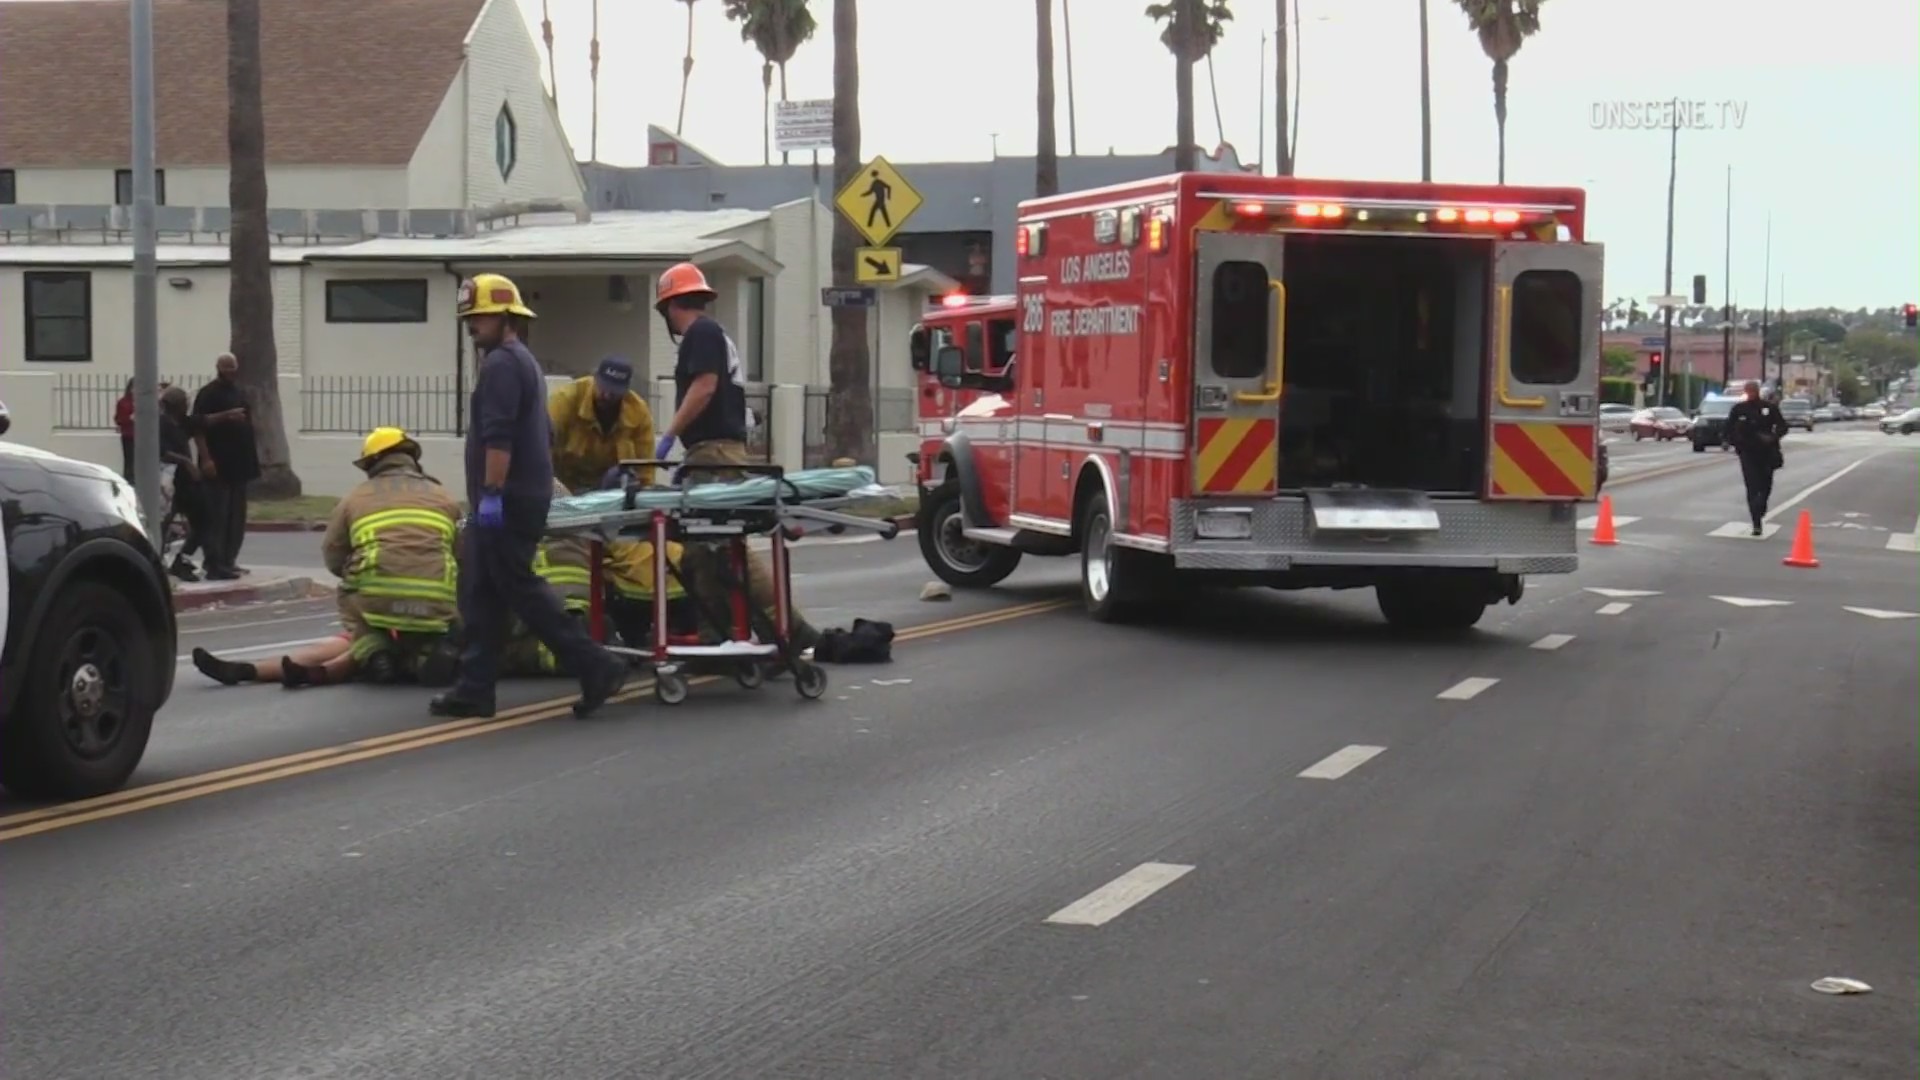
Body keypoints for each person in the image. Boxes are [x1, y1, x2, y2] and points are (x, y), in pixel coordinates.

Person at [432, 272, 627, 719]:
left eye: (480, 317)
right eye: (469, 317)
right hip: (515, 495)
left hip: (508, 498)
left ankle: (596, 664)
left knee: (520, 589)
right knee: (481, 592)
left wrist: (493, 494)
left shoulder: (502, 364)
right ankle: (475, 687)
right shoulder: (521, 362)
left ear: (508, 318)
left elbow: (499, 438)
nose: (472, 325)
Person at [650, 262, 821, 651]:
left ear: (670, 306)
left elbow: (705, 387)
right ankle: (717, 637)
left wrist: (670, 435)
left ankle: (790, 630)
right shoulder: (715, 335)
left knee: (725, 547)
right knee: (702, 551)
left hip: (716, 453)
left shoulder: (702, 333)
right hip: (711, 453)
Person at [320, 427, 465, 685]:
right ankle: (431, 651)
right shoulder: (445, 497)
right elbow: (462, 552)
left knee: (350, 596)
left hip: (377, 595)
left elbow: (333, 557)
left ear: (372, 463)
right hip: (436, 596)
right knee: (442, 611)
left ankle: (375, 653)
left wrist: (361, 572)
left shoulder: (354, 499)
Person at [191, 353, 259, 580]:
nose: (230, 371)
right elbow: (197, 427)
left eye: (233, 367)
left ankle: (230, 560)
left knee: (236, 517)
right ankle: (214, 564)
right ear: (218, 367)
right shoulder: (208, 394)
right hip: (218, 464)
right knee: (217, 516)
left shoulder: (239, 392)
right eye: (226, 367)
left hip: (240, 464)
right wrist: (206, 459)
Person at [548, 356, 659, 493]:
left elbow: (645, 469)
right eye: (603, 388)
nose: (607, 396)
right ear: (595, 378)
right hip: (565, 485)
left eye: (614, 392)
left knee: (622, 476)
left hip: (608, 492)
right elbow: (542, 445)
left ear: (626, 390)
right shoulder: (565, 399)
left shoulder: (639, 412)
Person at [158, 386, 213, 582]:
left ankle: (182, 558)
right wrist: (187, 462)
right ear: (175, 405)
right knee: (163, 524)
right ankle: (160, 561)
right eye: (184, 403)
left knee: (204, 520)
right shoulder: (162, 424)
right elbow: (163, 452)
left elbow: (203, 422)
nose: (187, 406)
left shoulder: (182, 422)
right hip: (173, 482)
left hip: (188, 483)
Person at [1727, 379, 1790, 536]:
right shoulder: (1739, 409)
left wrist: (1773, 437)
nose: (1751, 393)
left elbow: (1783, 426)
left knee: (1766, 485)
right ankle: (1756, 522)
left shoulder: (1768, 408)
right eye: (1748, 390)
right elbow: (1728, 428)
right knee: (1752, 486)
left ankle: (1761, 506)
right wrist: (1732, 442)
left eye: (1753, 390)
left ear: (1758, 391)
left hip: (1767, 452)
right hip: (1748, 453)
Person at [115, 379, 136, 479]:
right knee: (130, 461)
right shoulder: (123, 402)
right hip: (129, 435)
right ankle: (129, 481)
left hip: (143, 436)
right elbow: (118, 419)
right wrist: (129, 418)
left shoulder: (145, 402)